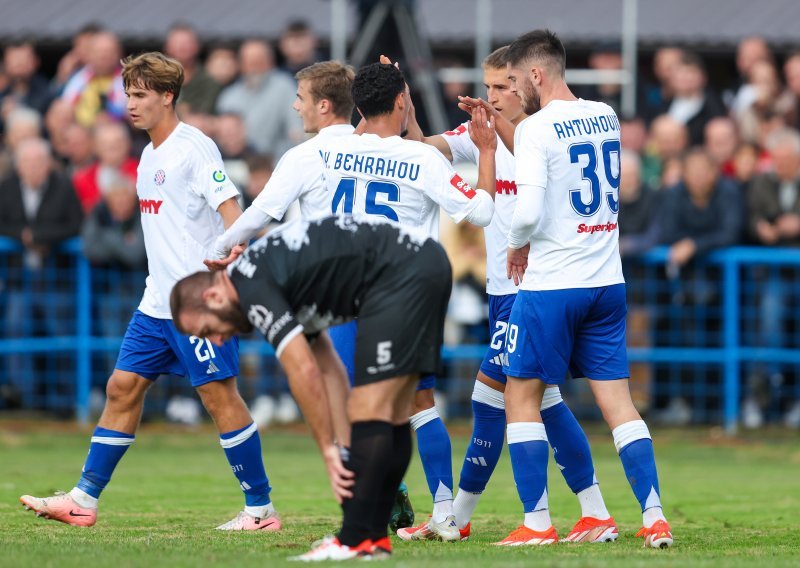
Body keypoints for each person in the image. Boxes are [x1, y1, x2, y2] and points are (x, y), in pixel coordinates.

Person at [19, 52, 281, 532]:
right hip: (155, 301)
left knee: (219, 398)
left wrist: (230, 266)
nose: (131, 104)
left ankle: (260, 509)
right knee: (122, 388)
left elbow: (231, 208)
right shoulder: (147, 154)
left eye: (140, 95)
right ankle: (83, 499)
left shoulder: (194, 148)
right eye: (128, 94)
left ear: (168, 96)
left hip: (197, 301)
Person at [398, 47, 616, 544]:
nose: (493, 96)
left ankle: (469, 517)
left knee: (491, 397)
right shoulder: (478, 136)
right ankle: (594, 510)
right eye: (489, 86)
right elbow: (419, 148)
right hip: (501, 290)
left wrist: (496, 139)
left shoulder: (547, 133)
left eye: (502, 87)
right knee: (544, 400)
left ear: (526, 84)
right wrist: (405, 109)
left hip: (536, 289)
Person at [171, 216, 453, 561]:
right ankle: (373, 539)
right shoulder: (276, 280)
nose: (216, 339)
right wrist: (343, 444)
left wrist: (328, 451)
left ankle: (354, 539)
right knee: (393, 413)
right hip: (426, 263)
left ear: (213, 295)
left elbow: (302, 369)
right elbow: (328, 366)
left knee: (370, 407)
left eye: (207, 329)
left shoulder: (251, 285)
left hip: (399, 275)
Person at [500, 29, 673, 548]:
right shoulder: (606, 114)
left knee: (521, 395)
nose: (515, 91)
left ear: (536, 75)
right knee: (619, 405)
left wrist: (514, 243)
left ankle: (535, 525)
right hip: (607, 280)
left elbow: (528, 210)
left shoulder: (535, 128)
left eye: (515, 80)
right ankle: (654, 516)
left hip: (555, 282)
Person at [209, 60, 357, 262]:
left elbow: (258, 216)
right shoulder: (380, 150)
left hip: (326, 270)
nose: (296, 106)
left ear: (323, 105)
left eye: (301, 99)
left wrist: (218, 250)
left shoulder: (303, 156)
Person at [216, 39, 302, 157]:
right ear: (241, 65)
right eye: (250, 62)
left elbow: (296, 131)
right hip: (238, 164)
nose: (255, 67)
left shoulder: (285, 87)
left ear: (271, 63)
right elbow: (222, 139)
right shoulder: (229, 96)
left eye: (260, 61)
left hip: (277, 163)